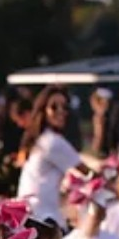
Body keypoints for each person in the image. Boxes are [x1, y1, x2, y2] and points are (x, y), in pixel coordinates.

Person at [16, 85, 91, 228]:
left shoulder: (41, 138)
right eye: (54, 107)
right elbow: (87, 172)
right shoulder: (52, 142)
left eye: (64, 107)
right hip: (43, 218)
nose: (61, 111)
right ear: (43, 110)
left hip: (32, 215)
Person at [89, 88, 113, 157]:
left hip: (102, 152)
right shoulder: (108, 114)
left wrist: (94, 149)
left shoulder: (99, 116)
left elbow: (99, 135)